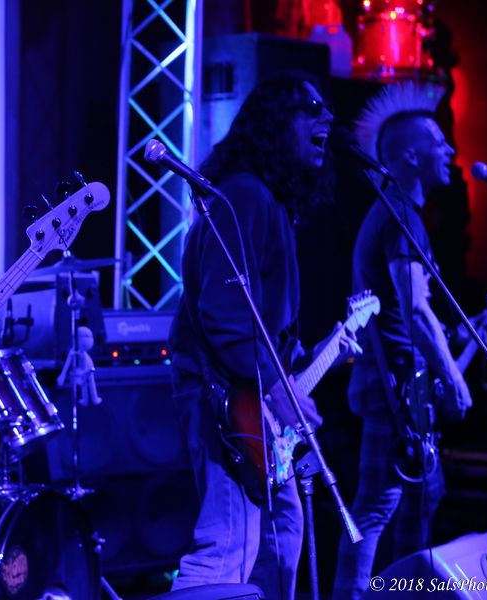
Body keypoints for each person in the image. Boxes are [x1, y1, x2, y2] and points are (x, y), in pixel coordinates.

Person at [168, 76, 336, 599]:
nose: (328, 118)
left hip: (248, 395)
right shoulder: (243, 195)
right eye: (311, 107)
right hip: (226, 400)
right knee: (225, 549)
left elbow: (258, 323)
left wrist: (298, 361)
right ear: (274, 124)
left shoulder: (267, 201)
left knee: (280, 539)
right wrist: (278, 389)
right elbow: (225, 318)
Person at [332, 82, 473, 599]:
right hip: (393, 389)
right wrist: (454, 378)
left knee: (417, 499)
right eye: (438, 142)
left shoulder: (400, 214)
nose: (450, 151)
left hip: (400, 385)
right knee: (378, 506)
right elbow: (414, 307)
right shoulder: (399, 216)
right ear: (410, 156)